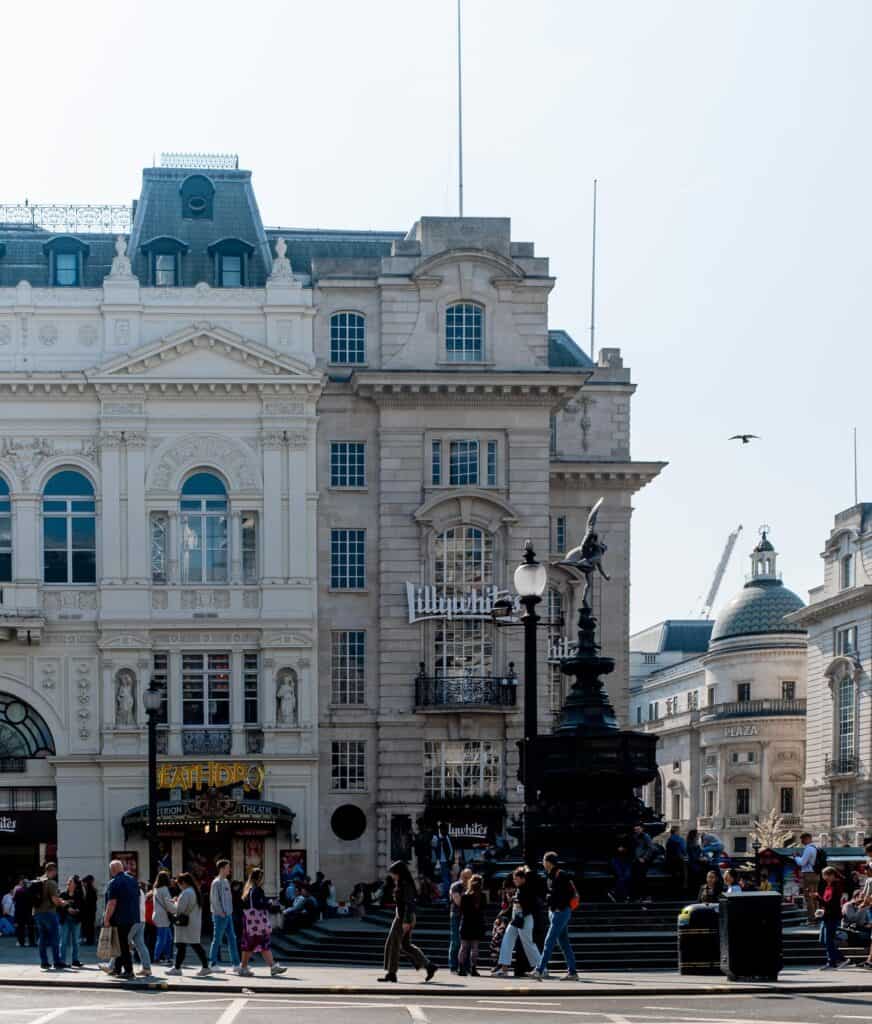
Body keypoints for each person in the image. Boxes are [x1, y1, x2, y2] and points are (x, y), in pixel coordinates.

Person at [378, 860, 437, 984]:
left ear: (399, 872)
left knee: (393, 944)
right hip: (402, 916)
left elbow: (409, 904)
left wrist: (406, 921)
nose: (392, 875)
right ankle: (429, 966)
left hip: (404, 917)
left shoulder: (406, 884)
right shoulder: (401, 883)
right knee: (405, 945)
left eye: (393, 873)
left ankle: (391, 973)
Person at [532, 852, 578, 982]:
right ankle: (573, 972)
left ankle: (539, 970)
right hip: (556, 912)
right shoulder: (551, 875)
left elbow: (567, 894)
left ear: (548, 862)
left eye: (543, 860)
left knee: (549, 940)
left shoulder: (561, 874)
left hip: (560, 912)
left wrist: (558, 905)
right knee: (564, 943)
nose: (542, 863)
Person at [492, 866, 541, 979]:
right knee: (507, 940)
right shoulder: (520, 889)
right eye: (514, 878)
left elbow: (530, 906)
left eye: (516, 878)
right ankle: (504, 969)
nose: (514, 881)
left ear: (522, 878)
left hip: (525, 919)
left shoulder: (527, 889)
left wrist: (518, 902)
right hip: (516, 919)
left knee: (528, 943)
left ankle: (541, 968)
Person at [238, 868, 287, 977]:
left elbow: (248, 905)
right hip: (257, 922)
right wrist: (270, 904)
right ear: (259, 878)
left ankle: (270, 966)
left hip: (250, 922)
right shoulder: (257, 889)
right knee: (258, 943)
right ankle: (246, 967)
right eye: (262, 878)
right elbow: (258, 904)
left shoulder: (248, 889)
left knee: (253, 944)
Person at [167, 872, 211, 976]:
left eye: (179, 884)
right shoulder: (195, 891)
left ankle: (178, 968)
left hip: (185, 924)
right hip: (193, 923)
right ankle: (203, 967)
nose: (179, 886)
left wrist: (173, 903)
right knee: (193, 945)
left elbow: (179, 910)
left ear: (184, 883)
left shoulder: (186, 893)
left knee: (183, 946)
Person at [102, 859, 140, 979]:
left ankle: (129, 971)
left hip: (119, 918)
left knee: (122, 945)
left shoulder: (114, 883)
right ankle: (117, 969)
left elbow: (112, 903)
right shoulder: (133, 880)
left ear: (113, 870)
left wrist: (107, 919)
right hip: (132, 917)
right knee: (119, 944)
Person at [33, 863, 68, 970]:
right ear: (52, 871)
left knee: (42, 938)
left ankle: (44, 962)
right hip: (49, 913)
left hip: (37, 913)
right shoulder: (51, 883)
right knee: (55, 938)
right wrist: (63, 903)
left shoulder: (39, 880)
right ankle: (57, 962)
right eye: (55, 871)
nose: (56, 873)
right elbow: (54, 900)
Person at [209, 860, 240, 971]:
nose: (229, 869)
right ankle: (212, 963)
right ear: (222, 868)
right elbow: (214, 899)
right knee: (217, 939)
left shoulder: (226, 881)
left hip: (228, 914)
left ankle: (236, 964)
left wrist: (229, 912)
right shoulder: (216, 882)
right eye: (227, 867)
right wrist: (220, 912)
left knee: (232, 939)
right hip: (220, 915)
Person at [818, 866, 847, 969]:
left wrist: (818, 898)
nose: (823, 877)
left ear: (832, 875)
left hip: (832, 916)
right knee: (823, 940)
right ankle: (841, 958)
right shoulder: (828, 886)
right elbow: (826, 903)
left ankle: (832, 962)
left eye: (825, 875)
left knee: (828, 940)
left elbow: (831, 904)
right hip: (826, 916)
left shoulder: (836, 887)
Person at [458, 873, 486, 977]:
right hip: (477, 923)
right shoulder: (482, 896)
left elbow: (462, 910)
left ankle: (461, 968)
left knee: (464, 947)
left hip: (466, 923)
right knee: (475, 947)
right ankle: (473, 968)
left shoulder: (465, 896)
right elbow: (484, 909)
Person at [794, 832, 821, 925]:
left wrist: (796, 857)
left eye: (802, 839)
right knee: (815, 898)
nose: (801, 841)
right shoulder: (816, 848)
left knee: (809, 898)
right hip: (816, 874)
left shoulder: (808, 848)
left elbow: (802, 862)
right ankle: (817, 918)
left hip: (808, 875)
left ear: (807, 838)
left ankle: (811, 919)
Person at [449, 867, 472, 973]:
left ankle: (465, 966)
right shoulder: (455, 886)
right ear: (462, 875)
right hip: (457, 915)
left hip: (468, 916)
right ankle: (453, 965)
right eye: (465, 876)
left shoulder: (472, 886)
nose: (467, 879)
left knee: (467, 942)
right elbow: (458, 902)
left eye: (469, 876)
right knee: (456, 941)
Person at [58, 876, 84, 968]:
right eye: (68, 882)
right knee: (63, 941)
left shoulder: (79, 894)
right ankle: (62, 961)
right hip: (65, 920)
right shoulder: (63, 894)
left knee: (75, 941)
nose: (68, 883)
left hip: (76, 921)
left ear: (75, 884)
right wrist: (67, 909)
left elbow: (82, 907)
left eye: (71, 882)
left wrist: (77, 910)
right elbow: (58, 907)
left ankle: (75, 960)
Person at [128, 882, 152, 978]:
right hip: (142, 919)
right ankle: (147, 968)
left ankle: (111, 966)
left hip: (134, 920)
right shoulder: (141, 891)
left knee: (121, 942)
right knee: (140, 945)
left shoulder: (134, 891)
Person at [151, 870, 175, 965]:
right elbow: (167, 903)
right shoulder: (164, 889)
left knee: (168, 938)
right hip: (163, 916)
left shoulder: (156, 889)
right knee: (163, 938)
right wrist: (175, 908)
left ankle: (168, 957)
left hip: (157, 914)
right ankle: (156, 958)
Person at [631, 824, 656, 901]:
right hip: (636, 860)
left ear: (642, 829)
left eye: (638, 829)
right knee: (637, 879)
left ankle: (645, 896)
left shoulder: (645, 836)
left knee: (641, 878)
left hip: (642, 861)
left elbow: (651, 848)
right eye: (635, 829)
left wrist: (644, 858)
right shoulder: (635, 836)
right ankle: (640, 896)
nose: (636, 830)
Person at [432, 823, 454, 901]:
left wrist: (449, 861)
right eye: (440, 829)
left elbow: (451, 851)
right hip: (439, 861)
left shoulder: (446, 837)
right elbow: (434, 848)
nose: (441, 831)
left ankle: (446, 895)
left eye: (442, 829)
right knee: (442, 879)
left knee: (445, 879)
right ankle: (443, 895)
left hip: (444, 861)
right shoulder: (438, 837)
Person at [13, 877, 35, 948]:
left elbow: (15, 901)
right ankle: (32, 942)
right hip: (28, 911)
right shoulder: (30, 891)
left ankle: (21, 942)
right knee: (30, 928)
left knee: (21, 928)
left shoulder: (18, 891)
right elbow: (33, 902)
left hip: (19, 911)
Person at [80, 876, 98, 946]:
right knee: (90, 926)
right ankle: (90, 939)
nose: (83, 884)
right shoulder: (92, 890)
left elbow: (87, 902)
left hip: (88, 911)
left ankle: (89, 940)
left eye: (84, 883)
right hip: (91, 911)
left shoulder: (89, 890)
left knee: (88, 926)